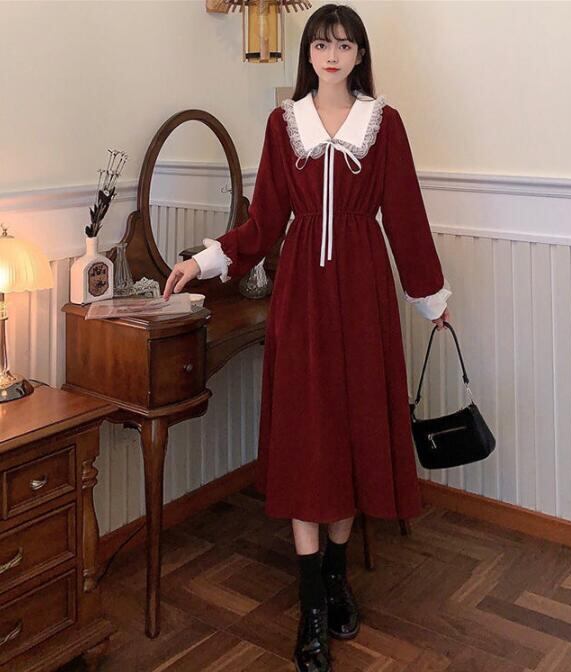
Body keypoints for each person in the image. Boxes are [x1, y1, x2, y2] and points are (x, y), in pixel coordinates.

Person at [163, 4, 451, 670]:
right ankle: (312, 607)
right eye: (322, 44)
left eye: (344, 45)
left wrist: (429, 297)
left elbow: (405, 214)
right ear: (309, 54)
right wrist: (203, 262)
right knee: (307, 435)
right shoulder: (282, 124)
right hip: (302, 297)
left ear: (359, 55)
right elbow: (264, 221)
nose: (332, 55)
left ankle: (337, 576)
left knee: (350, 429)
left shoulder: (384, 124)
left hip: (364, 294)